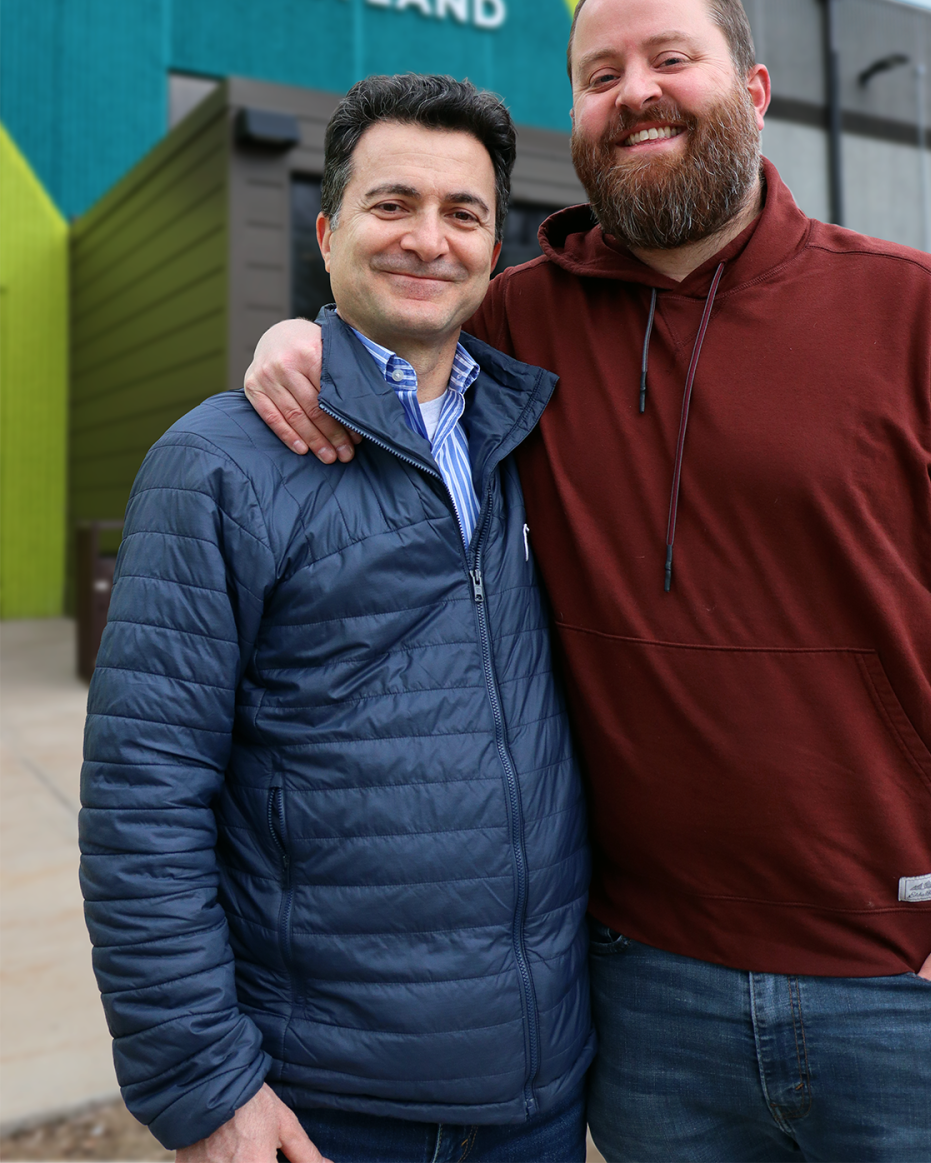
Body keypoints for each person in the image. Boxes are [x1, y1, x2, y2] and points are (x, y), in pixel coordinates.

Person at [246, 0, 931, 1163]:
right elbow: (394, 321)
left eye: (668, 59)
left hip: (910, 980)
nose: (634, 92)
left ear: (753, 90)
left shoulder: (921, 314)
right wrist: (298, 333)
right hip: (645, 992)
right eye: (600, 75)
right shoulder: (517, 324)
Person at [80, 74, 594, 1163]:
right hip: (332, 1103)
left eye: (462, 212)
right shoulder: (219, 462)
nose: (428, 238)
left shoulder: (537, 439)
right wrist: (204, 1081)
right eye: (390, 203)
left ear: (494, 249)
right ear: (326, 231)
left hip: (539, 1088)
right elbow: (143, 797)